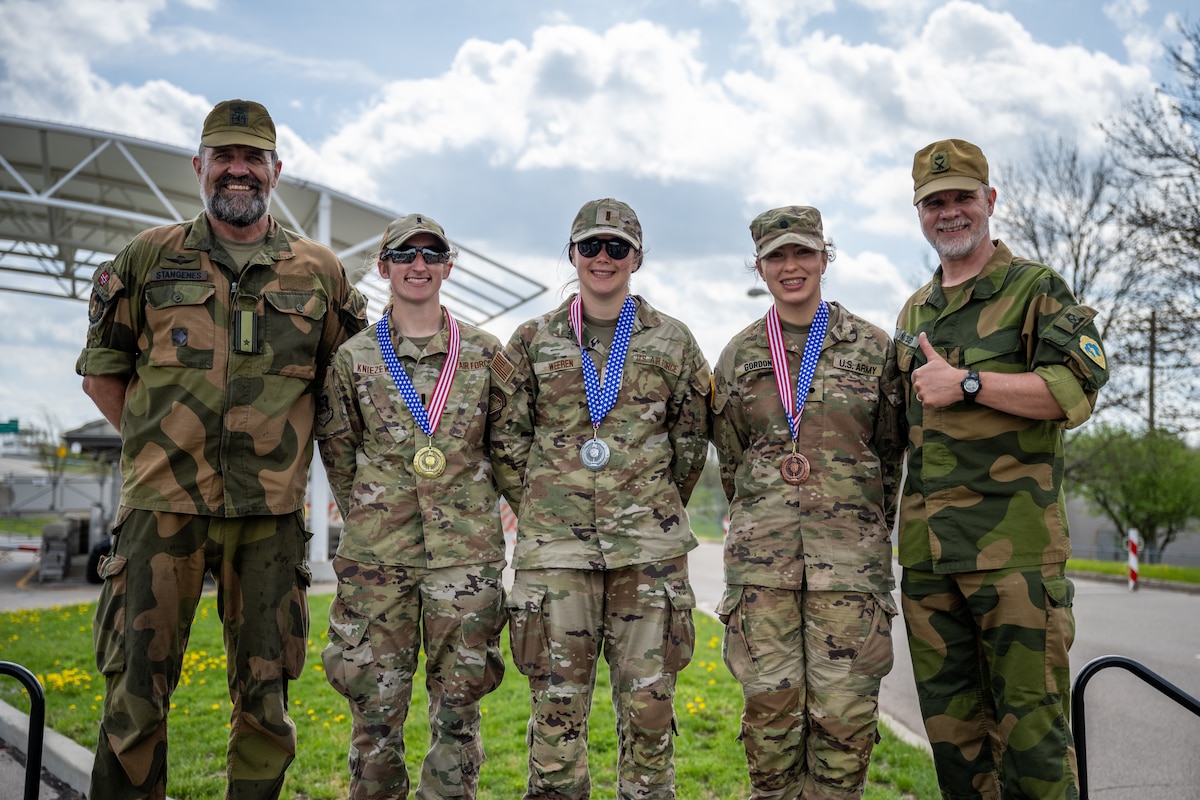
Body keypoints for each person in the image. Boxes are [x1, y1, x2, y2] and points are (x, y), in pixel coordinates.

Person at [75, 99, 367, 800]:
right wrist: (160, 451)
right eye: (225, 157)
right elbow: (101, 375)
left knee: (266, 704)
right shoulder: (147, 258)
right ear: (200, 166)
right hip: (159, 514)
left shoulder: (318, 273)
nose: (239, 170)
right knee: (134, 698)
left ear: (276, 170)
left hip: (269, 519)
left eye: (254, 158)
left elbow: (347, 389)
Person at [895, 139, 1109, 800]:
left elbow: (1074, 392)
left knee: (1035, 747)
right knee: (957, 748)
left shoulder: (1035, 291)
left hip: (1013, 556)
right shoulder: (914, 312)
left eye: (962, 197)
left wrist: (967, 383)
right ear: (920, 214)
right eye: (935, 202)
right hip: (929, 562)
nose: (949, 212)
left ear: (990, 201)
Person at [490, 198, 711, 800]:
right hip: (556, 557)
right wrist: (544, 504)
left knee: (649, 714)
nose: (603, 258)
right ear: (572, 255)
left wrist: (651, 504)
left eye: (617, 247)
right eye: (591, 246)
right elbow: (506, 437)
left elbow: (691, 441)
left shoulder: (673, 341)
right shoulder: (533, 340)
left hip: (647, 555)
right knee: (556, 718)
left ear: (637, 256)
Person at [711, 206, 905, 800]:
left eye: (803, 253)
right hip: (762, 573)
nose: (791, 266)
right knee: (769, 726)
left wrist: (860, 527)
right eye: (777, 257)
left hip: (849, 572)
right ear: (761, 268)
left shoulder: (874, 349)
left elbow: (891, 452)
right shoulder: (740, 355)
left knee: (844, 728)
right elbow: (732, 458)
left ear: (825, 258)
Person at [316, 213, 507, 799]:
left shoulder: (482, 354)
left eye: (431, 255)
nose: (418, 266)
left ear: (449, 266)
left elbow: (506, 445)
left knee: (458, 712)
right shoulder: (353, 359)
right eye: (405, 255)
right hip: (379, 561)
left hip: (464, 561)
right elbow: (339, 450)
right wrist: (374, 518)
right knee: (375, 716)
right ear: (383, 268)